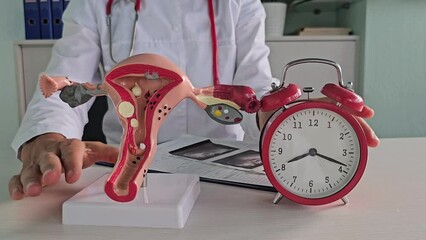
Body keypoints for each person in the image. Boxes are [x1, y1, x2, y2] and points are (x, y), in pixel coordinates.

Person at [8, 0, 380, 200]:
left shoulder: (241, 4)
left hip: (224, 182)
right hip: (124, 167)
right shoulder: (95, 4)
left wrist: (301, 121)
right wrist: (47, 138)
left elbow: (258, 92)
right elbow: (66, 82)